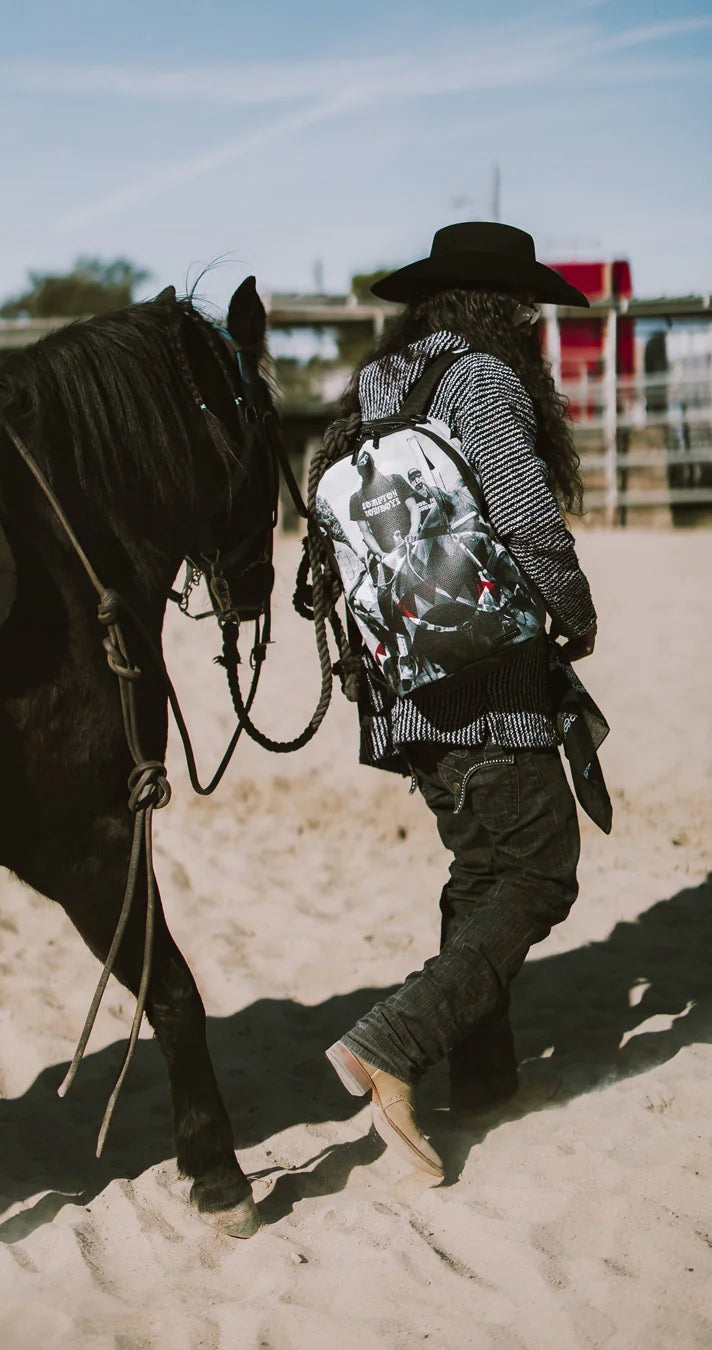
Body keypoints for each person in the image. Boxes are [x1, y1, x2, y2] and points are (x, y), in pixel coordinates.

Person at [323, 222, 600, 1178]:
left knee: (481, 869)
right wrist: (578, 612)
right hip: (490, 678)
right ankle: (391, 1044)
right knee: (538, 870)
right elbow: (524, 516)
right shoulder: (482, 379)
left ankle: (483, 1077)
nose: (530, 323)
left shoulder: (379, 387)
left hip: (403, 682)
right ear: (501, 307)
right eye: (524, 308)